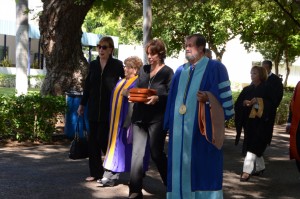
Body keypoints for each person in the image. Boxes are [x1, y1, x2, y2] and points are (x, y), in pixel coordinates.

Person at [164, 33, 234, 199]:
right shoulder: (181, 70)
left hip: (203, 131)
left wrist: (208, 99)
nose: (187, 48)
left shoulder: (215, 68)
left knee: (203, 167)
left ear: (201, 47)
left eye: (190, 45)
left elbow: (225, 102)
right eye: (186, 45)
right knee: (179, 167)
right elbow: (172, 99)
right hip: (180, 133)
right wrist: (168, 124)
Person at [128, 39, 174, 199]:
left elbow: (171, 94)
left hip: (157, 118)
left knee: (156, 153)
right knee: (137, 154)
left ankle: (171, 185)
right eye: (148, 53)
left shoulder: (168, 72)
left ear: (160, 54)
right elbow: (138, 88)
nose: (149, 57)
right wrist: (132, 95)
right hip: (139, 117)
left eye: (152, 54)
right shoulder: (144, 69)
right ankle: (134, 190)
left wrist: (158, 99)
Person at [77, 36, 125, 182]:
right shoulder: (93, 64)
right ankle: (95, 172)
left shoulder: (117, 64)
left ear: (111, 49)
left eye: (104, 47)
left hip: (109, 108)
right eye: (99, 46)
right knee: (93, 141)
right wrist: (82, 104)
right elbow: (88, 86)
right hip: (93, 107)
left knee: (103, 138)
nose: (101, 49)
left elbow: (124, 82)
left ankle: (112, 167)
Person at [98, 56, 146, 187]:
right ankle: (110, 177)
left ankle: (133, 177)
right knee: (117, 149)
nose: (125, 68)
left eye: (129, 66)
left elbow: (139, 99)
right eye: (125, 66)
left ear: (135, 70)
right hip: (115, 123)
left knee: (127, 150)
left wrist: (129, 94)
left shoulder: (138, 82)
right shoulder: (122, 81)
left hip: (127, 123)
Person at [235, 66, 273, 182]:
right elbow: (238, 104)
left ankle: (246, 171)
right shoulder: (247, 89)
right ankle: (260, 167)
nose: (252, 75)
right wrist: (244, 102)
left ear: (261, 75)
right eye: (251, 73)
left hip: (262, 124)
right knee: (255, 146)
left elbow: (273, 104)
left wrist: (259, 101)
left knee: (252, 147)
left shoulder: (268, 89)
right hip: (249, 123)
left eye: (255, 73)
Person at [262, 60, 283, 145]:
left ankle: (266, 142)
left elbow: (279, 94)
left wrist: (273, 106)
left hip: (270, 108)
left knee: (268, 126)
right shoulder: (260, 78)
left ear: (270, 68)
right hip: (258, 106)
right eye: (262, 67)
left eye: (266, 68)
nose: (264, 70)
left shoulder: (276, 80)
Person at [286, 81, 300, 176]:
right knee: (297, 150)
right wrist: (289, 121)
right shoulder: (299, 85)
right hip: (298, 124)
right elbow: (293, 103)